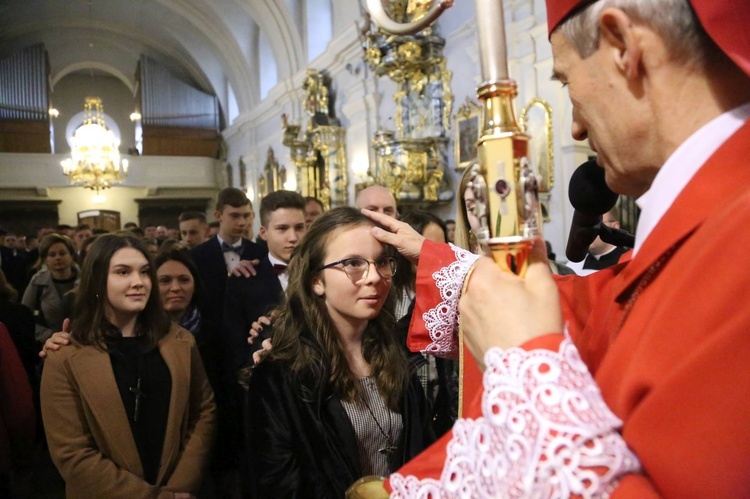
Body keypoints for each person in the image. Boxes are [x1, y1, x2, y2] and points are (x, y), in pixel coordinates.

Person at [366, 0, 750, 497]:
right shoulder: (714, 212)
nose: (575, 128)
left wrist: (527, 370)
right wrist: (442, 261)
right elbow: (599, 310)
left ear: (622, 45)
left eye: (566, 81)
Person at [244, 207, 433, 498]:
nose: (374, 277)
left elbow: (422, 454)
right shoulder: (281, 373)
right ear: (316, 281)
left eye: (382, 262)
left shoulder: (396, 352)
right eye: (353, 264)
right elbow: (277, 484)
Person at [40, 234, 215, 498]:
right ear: (98, 281)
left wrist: (179, 487)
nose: (139, 282)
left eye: (145, 272)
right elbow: (72, 452)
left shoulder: (180, 341)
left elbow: (202, 412)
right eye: (123, 272)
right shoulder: (65, 355)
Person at [21, 234, 79, 344]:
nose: (58, 258)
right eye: (52, 255)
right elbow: (24, 317)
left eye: (62, 253)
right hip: (50, 342)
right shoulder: (38, 282)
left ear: (71, 255)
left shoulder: (86, 279)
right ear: (45, 260)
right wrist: (48, 335)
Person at [567, 207, 630, 275]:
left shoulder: (628, 262)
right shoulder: (574, 265)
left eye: (595, 223)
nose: (587, 231)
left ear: (614, 227)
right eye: (585, 225)